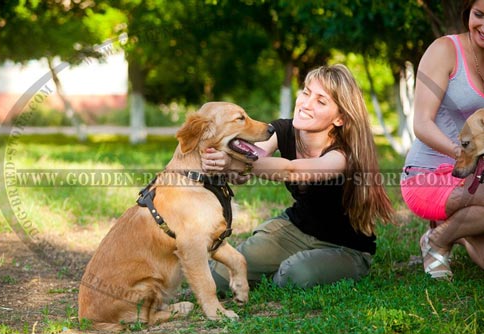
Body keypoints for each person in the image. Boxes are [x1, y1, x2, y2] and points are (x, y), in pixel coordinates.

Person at [201, 64, 394, 290]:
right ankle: (276, 265)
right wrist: (227, 165)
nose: (305, 104)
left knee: (292, 275)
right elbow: (253, 158)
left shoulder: (343, 155)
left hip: (343, 246)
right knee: (220, 278)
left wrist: (237, 164)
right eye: (306, 92)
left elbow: (292, 170)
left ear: (340, 118)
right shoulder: (282, 130)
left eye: (321, 101)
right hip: (295, 229)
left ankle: (291, 269)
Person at [400, 0, 484, 280]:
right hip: (427, 175)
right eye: (479, 15)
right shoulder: (445, 50)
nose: (483, 26)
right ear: (467, 13)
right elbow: (421, 123)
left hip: (476, 180)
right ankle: (438, 240)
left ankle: (454, 231)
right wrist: (463, 155)